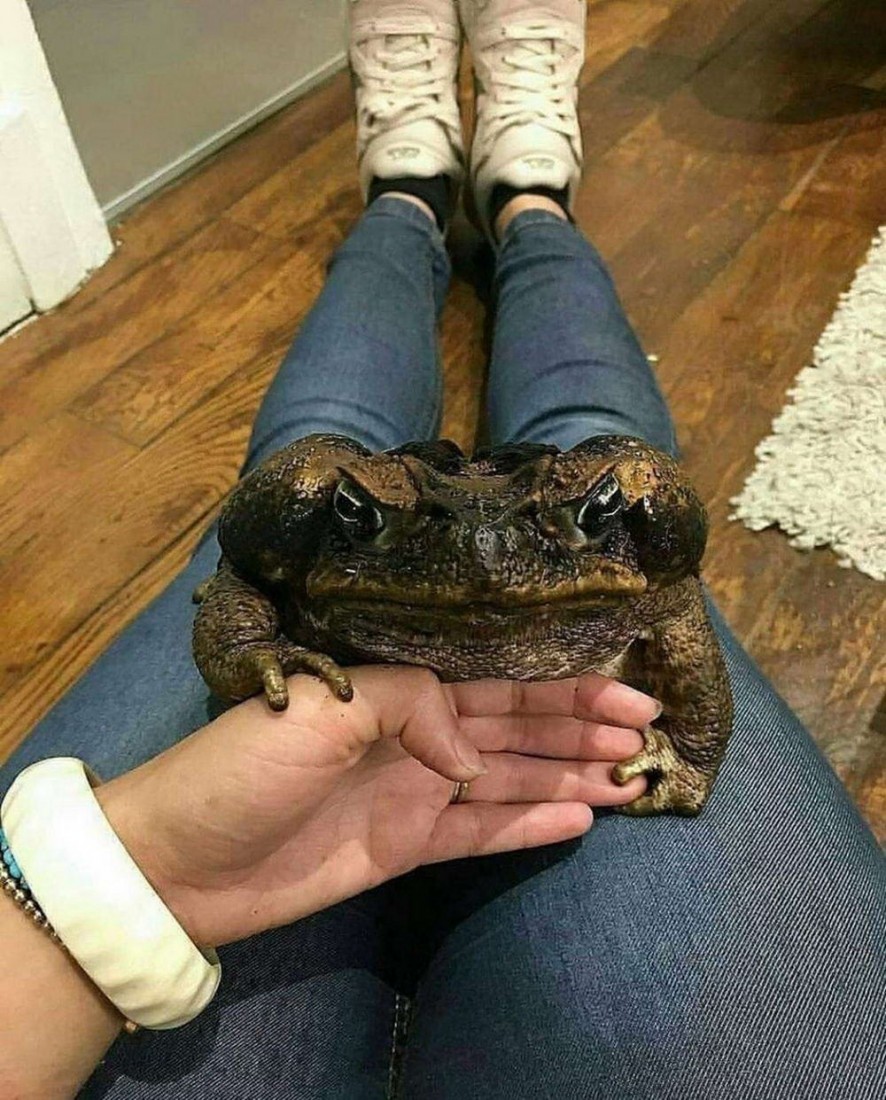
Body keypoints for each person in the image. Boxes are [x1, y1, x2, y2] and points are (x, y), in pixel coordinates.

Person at [0, 1, 883, 1097]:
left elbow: (666, 596)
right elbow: (245, 583)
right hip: (393, 613)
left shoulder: (620, 573)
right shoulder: (344, 536)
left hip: (504, 620)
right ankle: (498, 199)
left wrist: (688, 751)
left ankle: (438, 198)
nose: (483, 566)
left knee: (505, 444)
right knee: (485, 435)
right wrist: (257, 639)